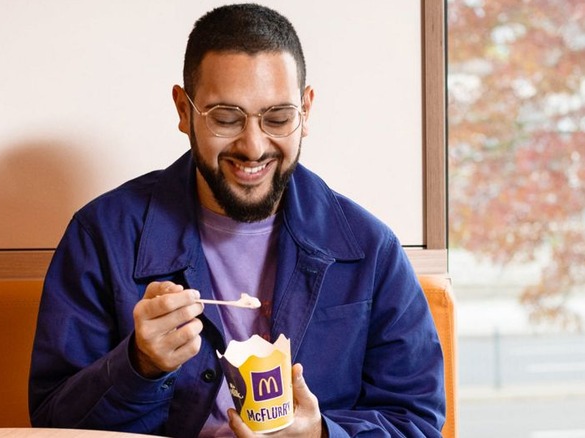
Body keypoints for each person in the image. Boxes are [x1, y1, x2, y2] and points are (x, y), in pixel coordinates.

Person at [28, 3, 445, 437]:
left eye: (278, 118)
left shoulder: (369, 249)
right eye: (226, 118)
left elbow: (416, 422)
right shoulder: (103, 236)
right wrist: (139, 366)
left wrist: (323, 434)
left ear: (306, 111)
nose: (253, 146)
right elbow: (51, 421)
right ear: (183, 111)